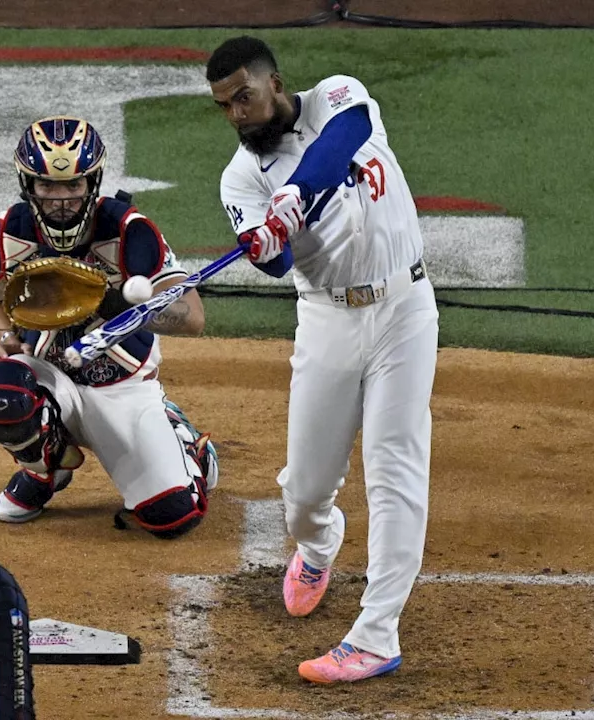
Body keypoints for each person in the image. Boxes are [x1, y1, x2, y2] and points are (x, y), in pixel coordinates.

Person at [205, 36, 439, 683]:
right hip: (329, 321)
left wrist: (296, 197)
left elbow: (342, 144)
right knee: (305, 494)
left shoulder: (340, 95)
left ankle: (376, 634)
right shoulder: (242, 177)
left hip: (405, 309)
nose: (238, 115)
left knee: (395, 467)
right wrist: (266, 236)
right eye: (225, 106)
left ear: (275, 83)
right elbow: (273, 259)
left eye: (244, 97)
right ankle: (318, 542)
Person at [0, 116, 219, 540]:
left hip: (123, 386)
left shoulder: (130, 232)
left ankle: (184, 439)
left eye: (73, 185)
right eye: (48, 186)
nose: (61, 200)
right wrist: (7, 341)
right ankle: (45, 470)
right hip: (52, 376)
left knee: (173, 517)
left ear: (93, 182)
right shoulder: (4, 236)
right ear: (28, 185)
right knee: (3, 390)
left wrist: (111, 300)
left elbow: (192, 317)